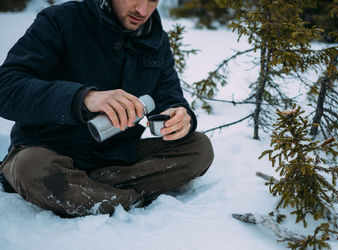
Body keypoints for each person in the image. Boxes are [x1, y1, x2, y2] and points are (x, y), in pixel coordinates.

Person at [0, 0, 214, 217]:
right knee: (33, 169)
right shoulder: (60, 19)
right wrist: (83, 98)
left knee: (199, 147)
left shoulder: (156, 40)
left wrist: (179, 115)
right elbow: (7, 88)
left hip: (116, 155)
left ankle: (87, 192)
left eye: (152, 0)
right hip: (47, 149)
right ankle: (125, 200)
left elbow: (170, 97)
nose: (143, 10)